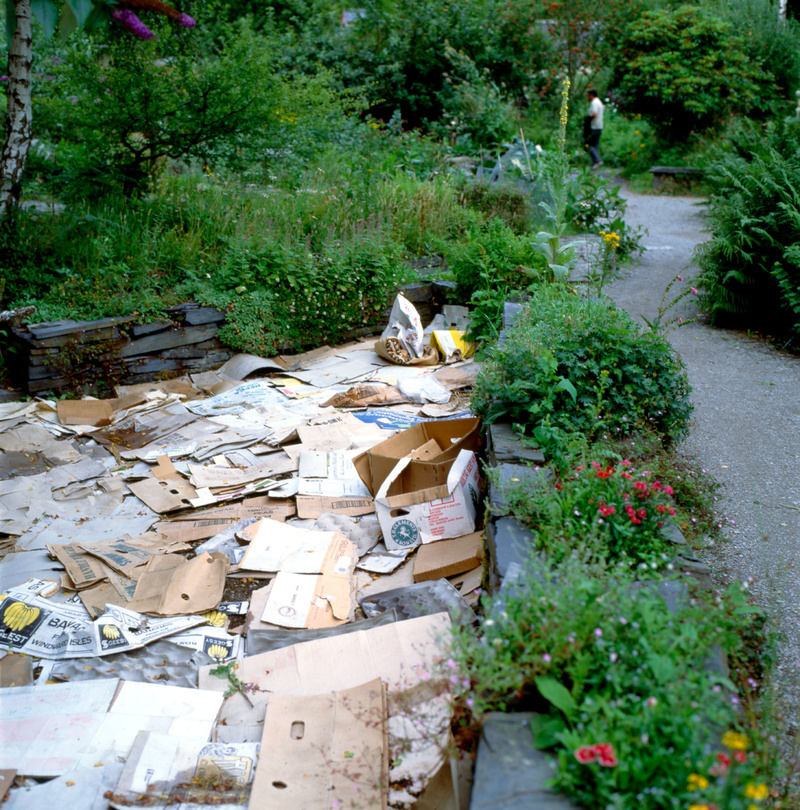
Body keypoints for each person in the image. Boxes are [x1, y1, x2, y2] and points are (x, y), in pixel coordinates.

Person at [586, 89, 604, 168]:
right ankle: (595, 163)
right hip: (599, 126)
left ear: (591, 95)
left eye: (588, 95)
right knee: (595, 145)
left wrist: (588, 117)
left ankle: (598, 161)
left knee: (590, 145)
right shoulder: (599, 101)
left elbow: (594, 114)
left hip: (595, 126)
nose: (587, 97)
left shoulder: (594, 102)